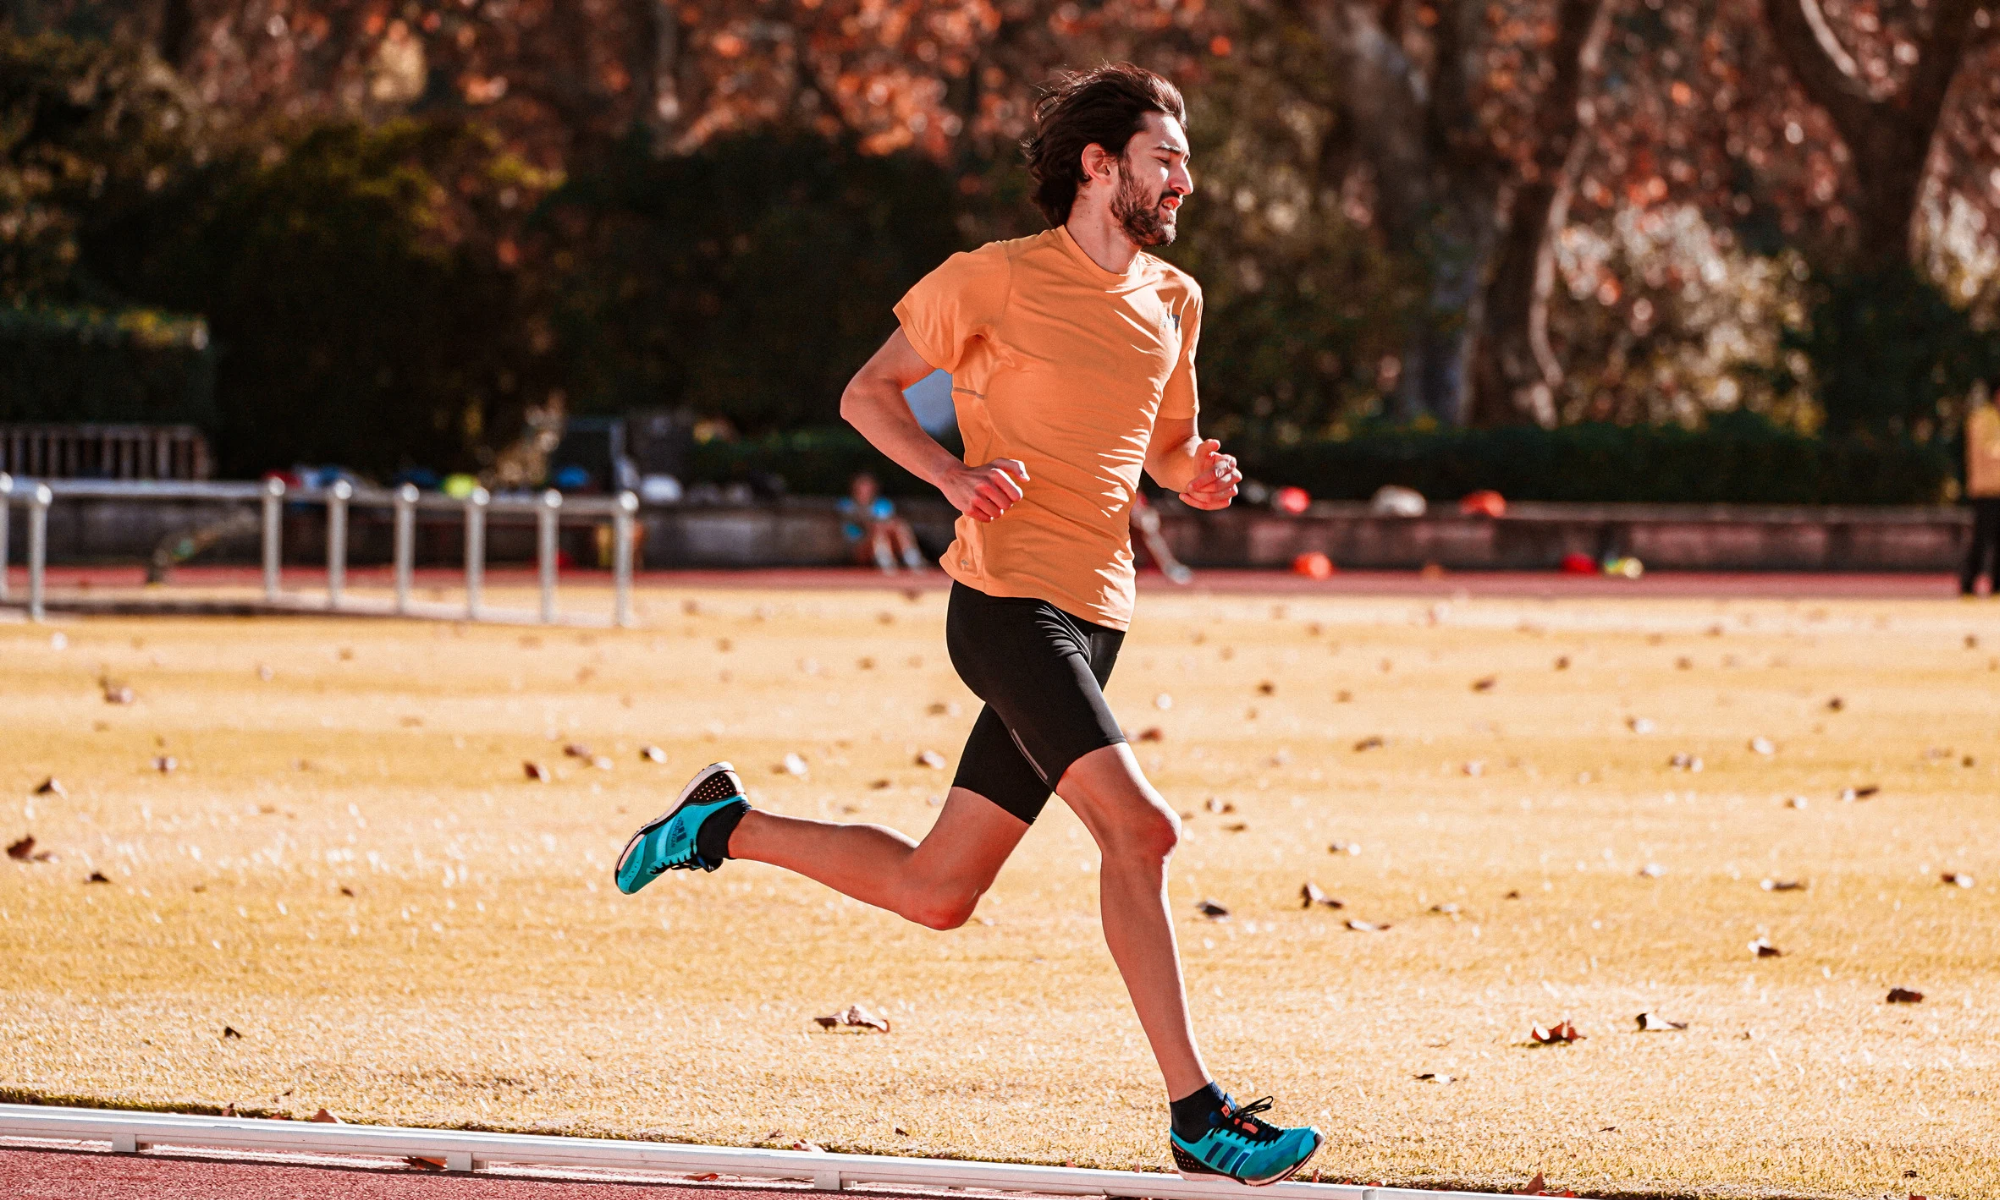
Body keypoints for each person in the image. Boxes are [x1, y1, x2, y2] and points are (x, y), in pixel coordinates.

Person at [614, 64, 1322, 1185]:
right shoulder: (990, 279)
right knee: (1142, 834)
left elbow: (1166, 445)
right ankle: (1197, 1114)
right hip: (1004, 607)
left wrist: (1200, 478)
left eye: (1183, 161)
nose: (1183, 178)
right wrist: (948, 476)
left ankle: (720, 826)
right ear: (1100, 166)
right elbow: (866, 394)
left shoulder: (1174, 300)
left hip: (1097, 616)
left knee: (937, 893)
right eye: (1164, 157)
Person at [840, 472, 926, 572]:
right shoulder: (846, 505)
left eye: (868, 487)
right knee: (878, 529)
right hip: (859, 547)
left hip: (886, 541)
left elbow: (890, 522)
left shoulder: (883, 504)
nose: (865, 490)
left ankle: (912, 558)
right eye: (862, 487)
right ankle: (885, 561)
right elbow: (860, 526)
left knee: (899, 526)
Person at [1961, 392, 2000, 596]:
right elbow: (1985, 450)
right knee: (1981, 539)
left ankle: (1998, 583)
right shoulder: (1982, 418)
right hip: (1986, 490)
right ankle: (1968, 581)